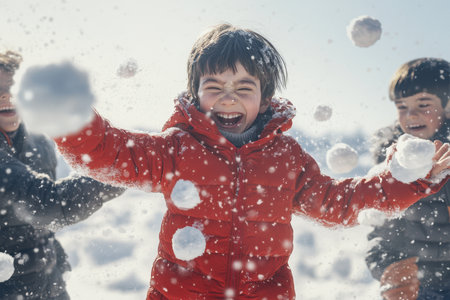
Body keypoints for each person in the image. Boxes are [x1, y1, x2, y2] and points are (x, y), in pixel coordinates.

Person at [24, 24, 449, 299]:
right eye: (215, 86)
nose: (229, 98)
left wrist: (408, 180)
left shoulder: (286, 158)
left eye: (244, 87)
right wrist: (72, 118)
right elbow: (111, 153)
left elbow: (338, 202)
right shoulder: (177, 148)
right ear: (195, 94)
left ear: (265, 97)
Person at [0, 50, 125, 299]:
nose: (7, 94)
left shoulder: (38, 139)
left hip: (49, 284)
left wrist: (57, 265)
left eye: (14, 85)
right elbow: (48, 204)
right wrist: (122, 169)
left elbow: (44, 226)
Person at [365, 58, 450, 300]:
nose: (411, 114)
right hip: (419, 286)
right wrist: (388, 270)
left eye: (423, 104)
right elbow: (383, 232)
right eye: (402, 106)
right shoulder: (394, 165)